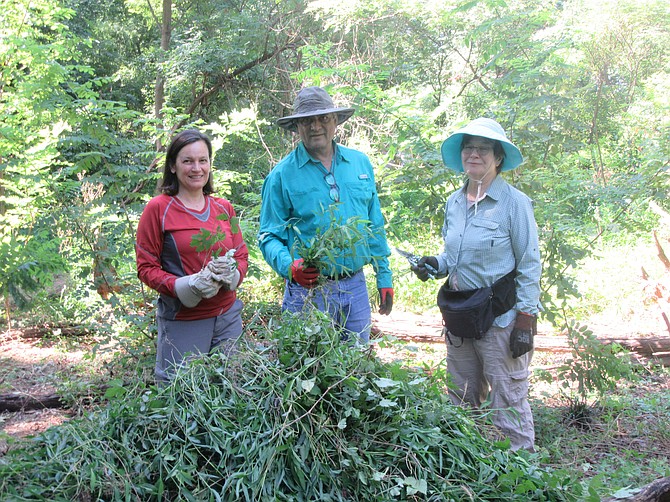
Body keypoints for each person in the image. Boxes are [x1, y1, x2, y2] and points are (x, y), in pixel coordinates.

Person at [412, 118, 541, 451]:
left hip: (500, 320)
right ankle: (471, 469)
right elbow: (453, 256)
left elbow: (529, 263)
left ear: (498, 157)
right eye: (468, 147)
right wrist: (434, 264)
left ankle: (520, 473)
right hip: (461, 317)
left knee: (508, 399)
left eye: (483, 148)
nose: (474, 154)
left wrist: (525, 320)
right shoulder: (454, 203)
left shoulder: (515, 204)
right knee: (461, 397)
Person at [258, 86, 393, 343]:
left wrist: (384, 275)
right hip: (308, 292)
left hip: (355, 288)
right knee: (307, 371)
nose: (315, 126)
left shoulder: (360, 164)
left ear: (335, 121)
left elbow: (374, 225)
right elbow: (268, 236)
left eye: (323, 118)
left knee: (355, 368)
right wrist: (290, 267)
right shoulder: (281, 176)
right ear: (297, 126)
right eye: (307, 120)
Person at [135, 129, 249, 383]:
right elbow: (145, 267)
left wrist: (233, 274)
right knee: (182, 396)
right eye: (187, 161)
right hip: (184, 320)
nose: (196, 168)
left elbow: (241, 254)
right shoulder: (159, 209)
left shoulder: (223, 208)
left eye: (203, 160)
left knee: (231, 392)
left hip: (228, 316)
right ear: (173, 167)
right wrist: (184, 285)